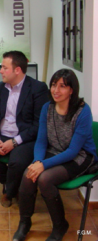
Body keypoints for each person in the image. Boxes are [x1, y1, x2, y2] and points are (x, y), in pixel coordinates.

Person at [12, 69, 98, 241]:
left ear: (72, 90)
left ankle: (60, 225)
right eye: (53, 85)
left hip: (80, 156)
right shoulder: (47, 107)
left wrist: (43, 165)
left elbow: (73, 151)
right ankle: (24, 222)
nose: (56, 90)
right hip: (56, 150)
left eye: (62, 86)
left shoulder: (83, 111)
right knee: (29, 175)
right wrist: (37, 161)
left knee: (45, 179)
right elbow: (42, 141)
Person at [0, 51, 49, 207]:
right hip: (1, 134)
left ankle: (9, 192)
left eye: (4, 68)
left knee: (17, 162)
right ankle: (13, 183)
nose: (0, 71)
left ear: (17, 70)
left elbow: (38, 125)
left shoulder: (37, 88)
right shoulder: (0, 88)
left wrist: (14, 142)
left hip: (24, 137)